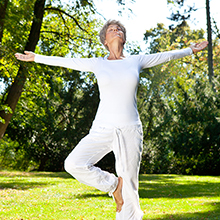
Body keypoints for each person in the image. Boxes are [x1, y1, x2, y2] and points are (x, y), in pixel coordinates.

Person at [15, 19, 208, 220]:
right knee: (73, 163)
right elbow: (68, 61)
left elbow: (164, 56)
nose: (116, 31)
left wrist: (190, 50)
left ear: (123, 38)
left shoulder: (136, 61)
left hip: (130, 129)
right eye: (111, 29)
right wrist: (37, 58)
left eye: (119, 29)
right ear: (105, 40)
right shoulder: (98, 63)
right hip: (102, 128)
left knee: (130, 189)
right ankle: (113, 185)